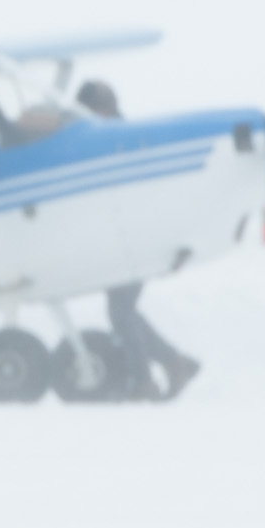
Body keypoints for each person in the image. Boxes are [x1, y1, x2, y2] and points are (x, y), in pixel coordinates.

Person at [73, 79, 200, 398]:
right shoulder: (115, 139)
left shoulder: (120, 142)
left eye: (88, 112)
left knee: (121, 312)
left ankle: (146, 381)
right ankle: (174, 363)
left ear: (103, 110)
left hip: (135, 239)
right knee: (123, 311)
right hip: (126, 239)